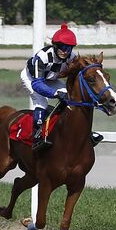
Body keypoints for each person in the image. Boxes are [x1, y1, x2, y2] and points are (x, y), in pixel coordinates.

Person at [22, 23, 76, 152]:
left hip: (51, 78)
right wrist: (55, 94)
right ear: (55, 46)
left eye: (69, 48)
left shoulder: (72, 57)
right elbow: (37, 84)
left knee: (70, 98)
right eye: (62, 47)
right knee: (41, 103)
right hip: (32, 78)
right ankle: (37, 137)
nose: (65, 51)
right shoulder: (43, 56)